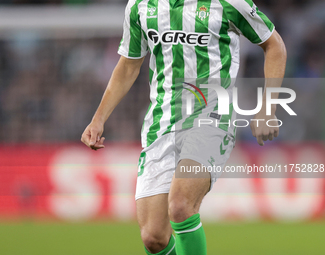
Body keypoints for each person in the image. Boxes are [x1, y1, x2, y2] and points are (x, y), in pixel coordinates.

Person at [81, 0, 287, 254]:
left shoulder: (229, 3)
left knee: (180, 205)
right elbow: (128, 64)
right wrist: (98, 118)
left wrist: (268, 107)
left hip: (211, 116)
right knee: (153, 237)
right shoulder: (140, 6)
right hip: (161, 123)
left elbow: (274, 44)